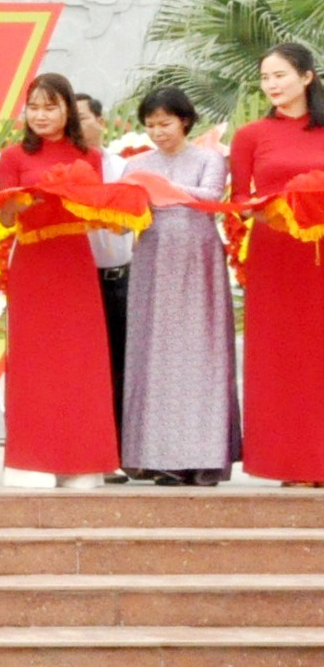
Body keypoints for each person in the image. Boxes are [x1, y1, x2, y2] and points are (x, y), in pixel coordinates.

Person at [0, 73, 120, 488]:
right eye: (34, 107)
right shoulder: (13, 156)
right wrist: (17, 202)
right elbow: (4, 217)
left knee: (79, 360)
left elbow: (96, 212)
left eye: (51, 106)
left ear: (68, 108)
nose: (41, 115)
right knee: (35, 360)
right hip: (32, 260)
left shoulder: (89, 157)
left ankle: (81, 461)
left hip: (75, 260)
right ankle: (32, 461)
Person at [123, 86, 239, 486]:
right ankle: (159, 456)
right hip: (153, 261)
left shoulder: (209, 158)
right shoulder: (135, 164)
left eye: (165, 123)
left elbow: (210, 197)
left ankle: (205, 455)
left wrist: (160, 189)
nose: (158, 132)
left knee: (202, 352)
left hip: (199, 260)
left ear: (185, 121)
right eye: (150, 125)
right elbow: (124, 216)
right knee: (155, 354)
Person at [230, 42, 324, 487]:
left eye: (280, 76)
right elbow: (239, 200)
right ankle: (292, 462)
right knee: (284, 357)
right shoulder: (250, 135)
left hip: (320, 251)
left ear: (306, 77)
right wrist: (261, 208)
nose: (271, 85)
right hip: (276, 254)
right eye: (265, 78)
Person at [75, 92, 135, 484]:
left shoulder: (123, 167)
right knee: (83, 368)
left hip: (121, 274)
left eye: (82, 118)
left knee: (121, 366)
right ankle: (85, 451)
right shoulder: (62, 167)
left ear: (100, 120)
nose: (76, 126)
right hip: (78, 280)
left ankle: (119, 452)